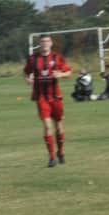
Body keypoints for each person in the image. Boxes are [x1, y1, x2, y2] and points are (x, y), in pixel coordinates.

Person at [23, 34, 72, 167]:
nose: (45, 43)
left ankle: (60, 152)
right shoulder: (33, 59)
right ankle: (51, 157)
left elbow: (68, 72)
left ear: (51, 43)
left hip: (56, 97)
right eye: (42, 41)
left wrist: (61, 74)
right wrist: (27, 79)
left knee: (59, 126)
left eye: (47, 41)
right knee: (47, 126)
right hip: (41, 97)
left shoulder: (57, 57)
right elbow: (26, 73)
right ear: (40, 44)